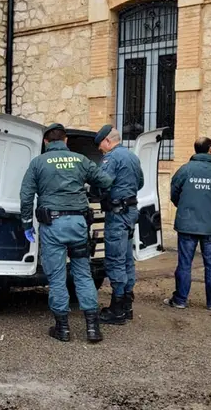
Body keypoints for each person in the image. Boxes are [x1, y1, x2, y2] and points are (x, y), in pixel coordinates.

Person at [20, 123, 114, 343]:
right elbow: (106, 181)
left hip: (52, 226)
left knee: (57, 277)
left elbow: (26, 195)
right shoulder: (80, 160)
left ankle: (63, 329)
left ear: (45, 142)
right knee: (83, 273)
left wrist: (26, 224)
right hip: (78, 224)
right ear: (65, 141)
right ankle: (93, 328)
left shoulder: (38, 163)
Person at [164, 137, 211, 311]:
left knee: (185, 263)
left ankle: (180, 300)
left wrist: (186, 205)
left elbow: (174, 194)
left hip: (187, 224)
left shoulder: (185, 170)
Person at [92, 125, 144, 325]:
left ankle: (117, 309)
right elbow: (139, 183)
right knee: (127, 259)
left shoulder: (111, 158)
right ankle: (127, 305)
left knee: (114, 260)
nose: (99, 150)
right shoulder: (132, 156)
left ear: (107, 141)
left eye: (100, 146)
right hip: (130, 213)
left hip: (117, 215)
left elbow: (103, 182)